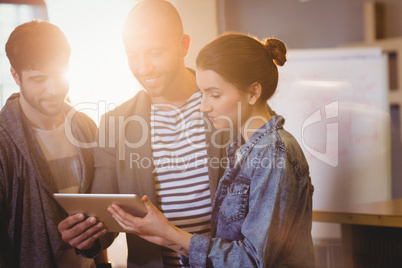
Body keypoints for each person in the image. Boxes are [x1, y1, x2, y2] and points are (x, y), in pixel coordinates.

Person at [108, 32, 316, 267]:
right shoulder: (243, 149)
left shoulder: (273, 152)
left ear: (253, 93)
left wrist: (171, 233)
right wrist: (167, 238)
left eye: (214, 95)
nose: (203, 106)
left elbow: (253, 261)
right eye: (202, 93)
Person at [57, 0, 230, 267]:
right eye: (133, 55)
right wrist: (86, 235)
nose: (144, 67)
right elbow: (106, 218)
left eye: (155, 52)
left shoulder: (228, 106)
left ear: (184, 45)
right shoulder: (115, 123)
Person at [0, 20, 108, 267]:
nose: (52, 89)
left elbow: (103, 211)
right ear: (15, 76)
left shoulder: (86, 127)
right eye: (39, 79)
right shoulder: (3, 143)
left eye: (59, 75)